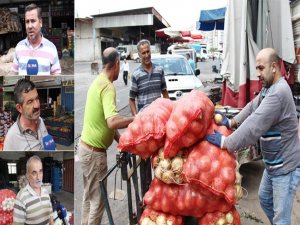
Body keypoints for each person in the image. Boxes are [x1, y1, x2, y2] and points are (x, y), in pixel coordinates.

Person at [206, 48, 300, 225]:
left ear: (273, 67)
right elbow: (251, 107)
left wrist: (227, 142)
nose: (257, 73)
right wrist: (232, 122)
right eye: (256, 69)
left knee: (282, 218)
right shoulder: (268, 89)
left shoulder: (278, 93)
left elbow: (254, 125)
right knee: (265, 199)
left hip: (285, 168)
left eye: (260, 68)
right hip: (272, 165)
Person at [78, 47, 134, 225]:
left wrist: (122, 141)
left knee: (88, 196)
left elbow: (106, 124)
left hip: (85, 149)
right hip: (95, 154)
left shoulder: (98, 81)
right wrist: (135, 119)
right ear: (117, 64)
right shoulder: (108, 87)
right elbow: (112, 122)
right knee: (98, 201)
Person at [129, 39, 169, 196]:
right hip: (145, 127)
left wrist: (170, 109)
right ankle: (147, 196)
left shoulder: (159, 70)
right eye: (143, 53)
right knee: (145, 164)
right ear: (139, 55)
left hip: (160, 123)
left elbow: (164, 92)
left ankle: (162, 193)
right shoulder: (136, 75)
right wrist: (136, 116)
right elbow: (131, 99)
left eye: (148, 52)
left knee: (161, 160)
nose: (146, 55)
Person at [3, 78, 55, 151]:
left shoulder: (40, 120)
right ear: (19, 108)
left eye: (37, 98)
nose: (37, 105)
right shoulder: (12, 137)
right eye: (30, 102)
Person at [11, 3, 61, 75]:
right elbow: (14, 73)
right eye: (27, 22)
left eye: (33, 21)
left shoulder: (51, 48)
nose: (29, 26)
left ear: (40, 22)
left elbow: (56, 74)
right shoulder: (19, 47)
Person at [13, 155, 54, 225]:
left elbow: (50, 214)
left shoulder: (45, 192)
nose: (38, 177)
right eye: (34, 173)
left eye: (40, 171)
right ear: (27, 175)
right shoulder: (21, 198)